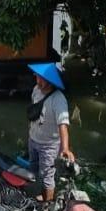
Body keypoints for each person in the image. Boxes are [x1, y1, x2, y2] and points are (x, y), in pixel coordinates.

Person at [27, 63, 74, 202]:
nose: (39, 81)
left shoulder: (59, 100)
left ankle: (47, 207)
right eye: (37, 77)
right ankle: (40, 195)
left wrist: (65, 148)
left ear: (51, 81)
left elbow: (63, 125)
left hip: (49, 145)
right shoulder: (36, 90)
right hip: (33, 139)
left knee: (47, 177)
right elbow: (32, 113)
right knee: (33, 168)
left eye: (42, 79)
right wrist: (29, 133)